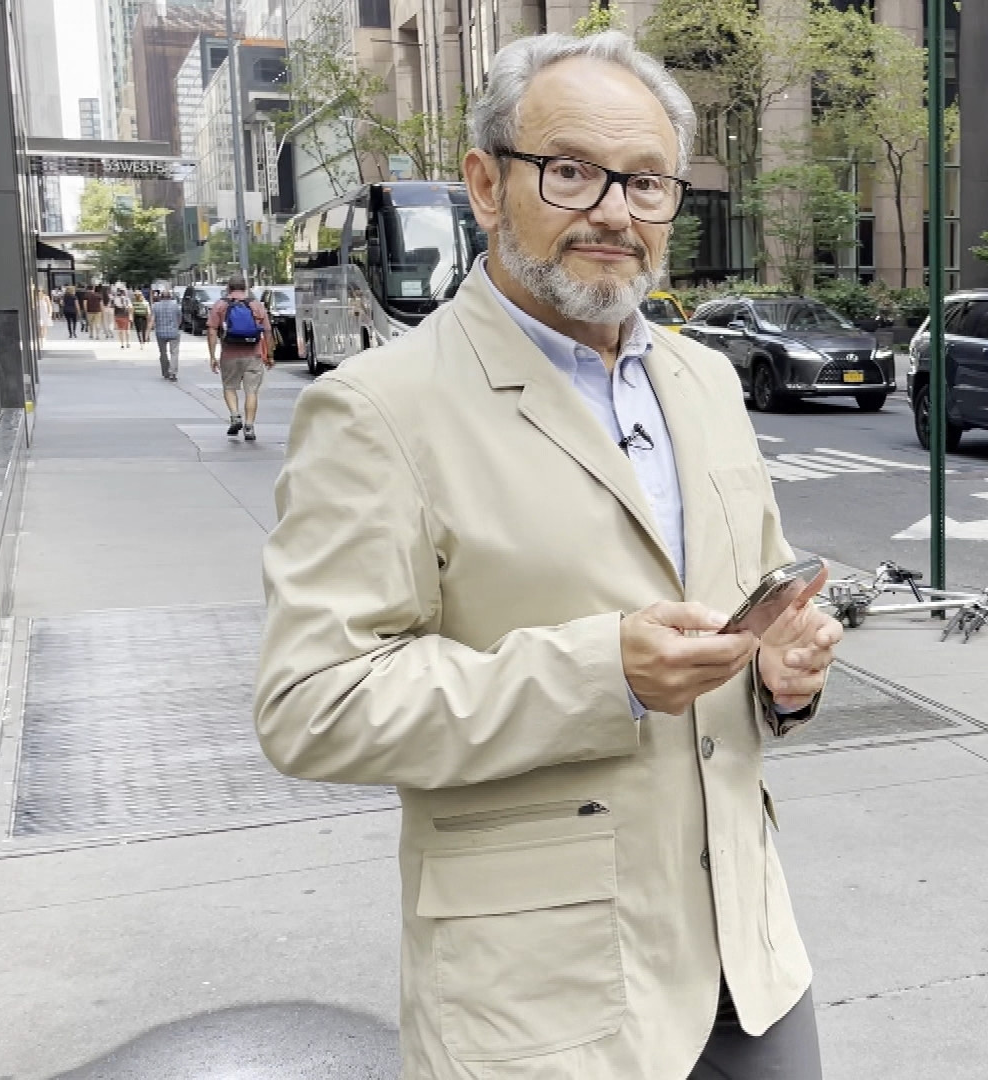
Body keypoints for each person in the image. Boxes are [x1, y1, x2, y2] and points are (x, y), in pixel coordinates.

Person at [255, 29, 841, 1080]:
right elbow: (313, 703)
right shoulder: (379, 409)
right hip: (541, 1003)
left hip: (749, 961)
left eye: (648, 181)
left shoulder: (707, 383)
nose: (615, 210)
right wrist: (600, 672)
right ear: (486, 184)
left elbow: (750, 611)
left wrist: (782, 676)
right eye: (570, 171)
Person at [206, 277, 273, 440]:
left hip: (229, 354)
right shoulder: (256, 305)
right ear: (245, 288)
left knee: (229, 387)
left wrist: (212, 356)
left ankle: (235, 415)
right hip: (253, 354)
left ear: (228, 288)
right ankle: (249, 427)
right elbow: (268, 331)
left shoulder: (220, 305)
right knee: (251, 391)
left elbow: (212, 330)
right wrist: (269, 354)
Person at [149, 288, 182, 381]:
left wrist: (147, 333)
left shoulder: (155, 306)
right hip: (174, 332)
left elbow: (152, 319)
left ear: (160, 297)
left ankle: (165, 372)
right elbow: (179, 318)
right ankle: (173, 372)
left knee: (163, 353)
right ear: (170, 296)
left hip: (160, 332)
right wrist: (176, 326)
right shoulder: (176, 305)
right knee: (174, 352)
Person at [112, 283, 133, 348]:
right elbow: (130, 308)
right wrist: (131, 315)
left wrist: (114, 318)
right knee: (127, 330)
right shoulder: (127, 299)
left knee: (120, 330)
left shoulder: (115, 299)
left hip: (118, 316)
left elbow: (114, 308)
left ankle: (122, 344)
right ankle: (128, 343)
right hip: (126, 316)